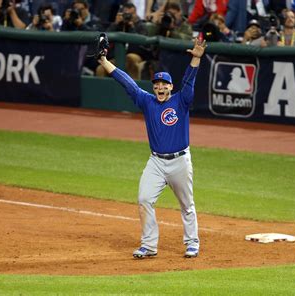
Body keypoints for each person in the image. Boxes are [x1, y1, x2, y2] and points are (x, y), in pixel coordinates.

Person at [97, 36, 206, 259]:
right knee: (144, 199)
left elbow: (189, 81)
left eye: (164, 84)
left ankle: (192, 243)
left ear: (171, 87)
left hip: (180, 162)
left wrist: (195, 60)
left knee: (187, 204)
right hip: (156, 162)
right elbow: (127, 82)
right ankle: (149, 245)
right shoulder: (147, 101)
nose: (160, 87)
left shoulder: (181, 100)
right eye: (156, 84)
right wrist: (104, 62)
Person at [96, 2, 149, 79]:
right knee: (101, 68)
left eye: (131, 14)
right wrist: (115, 24)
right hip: (117, 57)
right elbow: (105, 38)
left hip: (135, 55)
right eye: (126, 14)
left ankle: (133, 87)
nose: (128, 17)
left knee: (130, 58)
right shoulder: (118, 25)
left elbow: (140, 46)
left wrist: (131, 28)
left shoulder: (141, 26)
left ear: (136, 13)